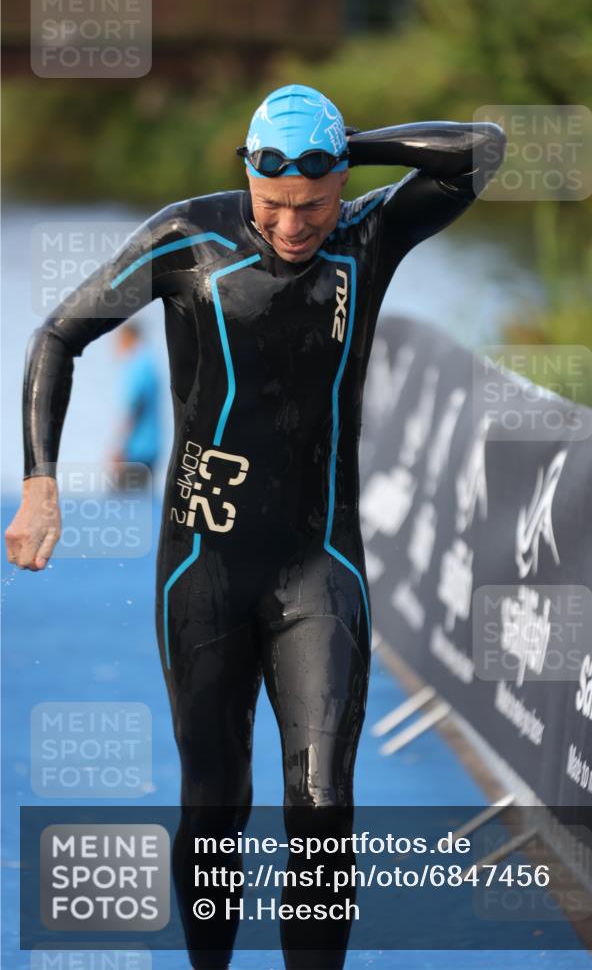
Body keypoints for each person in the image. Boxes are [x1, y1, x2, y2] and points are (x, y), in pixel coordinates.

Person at [5, 84, 506, 968]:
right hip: (200, 564)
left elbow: (482, 149)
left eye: (312, 205)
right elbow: (57, 336)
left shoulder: (368, 234)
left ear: (341, 184)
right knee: (215, 799)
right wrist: (40, 481)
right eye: (273, 205)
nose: (291, 226)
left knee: (322, 805)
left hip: (320, 562)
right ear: (245, 177)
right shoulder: (185, 238)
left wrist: (347, 142)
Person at [110, 321, 161, 490]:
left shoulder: (138, 365)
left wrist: (120, 447)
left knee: (120, 505)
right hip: (151, 447)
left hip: (135, 451)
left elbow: (135, 408)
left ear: (128, 338)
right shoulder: (149, 362)